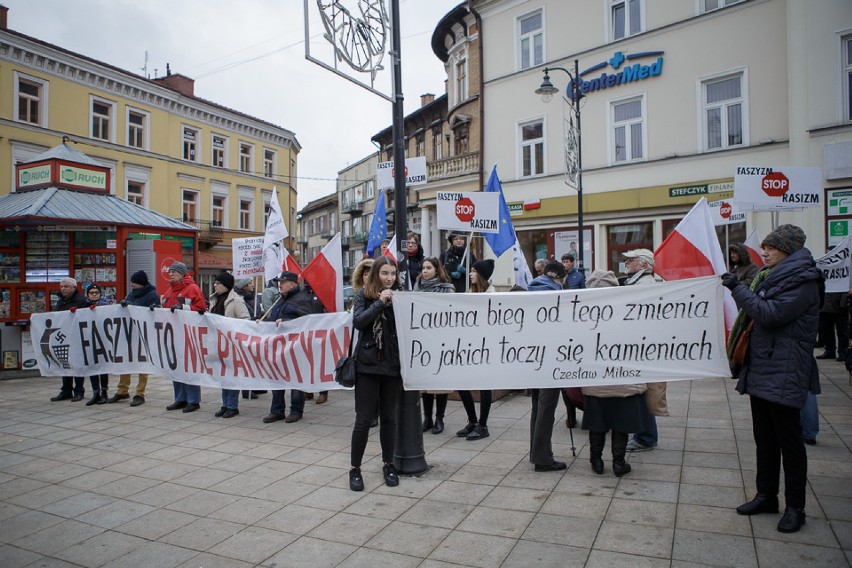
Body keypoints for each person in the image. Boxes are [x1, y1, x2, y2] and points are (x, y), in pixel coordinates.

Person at [722, 224, 821, 534]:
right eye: (764, 247)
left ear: (788, 250)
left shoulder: (803, 281)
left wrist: (737, 289)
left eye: (771, 248)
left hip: (785, 369)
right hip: (764, 366)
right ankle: (766, 495)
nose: (763, 252)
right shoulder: (771, 275)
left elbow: (770, 314)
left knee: (789, 442)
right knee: (764, 439)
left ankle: (796, 507)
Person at [581, 269, 647, 477]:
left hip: (595, 382)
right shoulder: (627, 313)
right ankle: (619, 463)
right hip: (623, 381)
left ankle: (596, 461)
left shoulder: (582, 315)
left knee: (597, 424)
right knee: (621, 423)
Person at [348, 256, 403, 491]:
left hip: (392, 365)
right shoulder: (364, 294)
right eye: (385, 274)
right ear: (375, 275)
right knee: (363, 419)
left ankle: (388, 463)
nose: (389, 278)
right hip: (368, 365)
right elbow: (359, 322)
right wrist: (380, 303)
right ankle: (355, 468)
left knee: (389, 418)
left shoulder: (401, 294)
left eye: (392, 274)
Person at [620, 249, 666, 452]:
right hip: (640, 345)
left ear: (645, 265)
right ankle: (644, 434)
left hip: (642, 347)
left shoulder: (644, 285)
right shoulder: (637, 282)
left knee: (643, 392)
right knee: (641, 391)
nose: (627, 262)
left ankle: (645, 437)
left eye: (632, 259)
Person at [528, 261, 569, 471]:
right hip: (552, 359)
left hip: (532, 358)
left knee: (538, 407)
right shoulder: (557, 295)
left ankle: (536, 452)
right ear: (560, 278)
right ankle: (543, 458)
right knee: (547, 408)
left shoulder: (529, 290)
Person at [261, 271, 316, 424]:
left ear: (292, 284)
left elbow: (306, 321)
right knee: (276, 377)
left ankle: (296, 410)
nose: (280, 284)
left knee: (295, 378)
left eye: (283, 282)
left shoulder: (302, 299)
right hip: (278, 345)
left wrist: (285, 321)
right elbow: (274, 318)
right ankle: (277, 411)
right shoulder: (281, 298)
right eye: (279, 281)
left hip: (295, 347)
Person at [413, 257, 455, 434]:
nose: (424, 271)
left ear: (437, 270)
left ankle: (440, 418)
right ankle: (427, 418)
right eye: (423, 267)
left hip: (441, 340)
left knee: (440, 383)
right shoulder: (417, 288)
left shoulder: (448, 289)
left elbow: (453, 312)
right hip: (423, 340)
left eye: (428, 267)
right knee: (426, 383)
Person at [456, 259, 494, 441]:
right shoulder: (469, 294)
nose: (470, 274)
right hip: (468, 345)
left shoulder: (491, 296)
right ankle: (472, 420)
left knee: (485, 385)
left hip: (485, 346)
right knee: (462, 383)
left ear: (481, 275)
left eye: (473, 271)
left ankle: (483, 424)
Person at [109, 270, 160, 406]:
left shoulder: (152, 295)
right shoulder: (132, 294)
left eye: (135, 282)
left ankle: (140, 393)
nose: (132, 285)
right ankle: (122, 390)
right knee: (126, 360)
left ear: (141, 283)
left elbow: (154, 313)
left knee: (142, 364)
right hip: (129, 332)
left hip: (144, 333)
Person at [161, 261, 206, 413]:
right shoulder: (168, 292)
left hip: (188, 335)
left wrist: (184, 308)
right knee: (176, 367)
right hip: (173, 335)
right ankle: (180, 398)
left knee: (189, 368)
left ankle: (193, 400)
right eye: (170, 273)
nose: (171, 274)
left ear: (182, 273)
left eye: (174, 272)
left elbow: (201, 309)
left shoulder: (193, 289)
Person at [209, 271, 250, 418]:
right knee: (223, 375)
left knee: (232, 375)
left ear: (225, 285)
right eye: (215, 283)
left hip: (231, 344)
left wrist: (231, 328)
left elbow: (245, 319)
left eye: (218, 283)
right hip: (218, 343)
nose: (215, 285)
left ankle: (232, 406)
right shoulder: (214, 299)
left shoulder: (236, 301)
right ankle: (225, 404)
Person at [50, 277, 89, 402]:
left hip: (77, 337)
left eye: (66, 287)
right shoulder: (60, 300)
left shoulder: (81, 300)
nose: (63, 289)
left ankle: (78, 391)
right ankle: (66, 390)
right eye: (61, 287)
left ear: (73, 288)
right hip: (64, 337)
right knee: (65, 363)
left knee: (77, 365)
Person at [84, 284, 111, 406]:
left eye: (96, 292)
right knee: (92, 367)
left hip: (102, 339)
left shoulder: (106, 305)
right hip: (89, 339)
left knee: (102, 367)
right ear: (88, 294)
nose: (94, 294)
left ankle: (104, 393)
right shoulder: (83, 306)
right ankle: (96, 393)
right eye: (91, 293)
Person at [815, 291, 848, 361]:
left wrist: (843, 303)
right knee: (825, 330)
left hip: (839, 304)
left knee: (842, 331)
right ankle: (829, 350)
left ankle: (843, 352)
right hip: (824, 305)